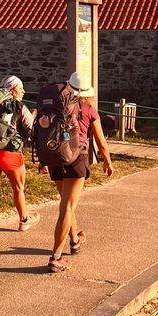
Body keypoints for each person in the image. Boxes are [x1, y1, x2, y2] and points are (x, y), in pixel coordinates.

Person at [47, 73, 113, 273]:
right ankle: (56, 257)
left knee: (67, 203)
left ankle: (74, 241)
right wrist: (107, 161)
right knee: (67, 207)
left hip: (56, 158)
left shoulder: (56, 105)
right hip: (76, 159)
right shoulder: (89, 109)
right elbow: (101, 142)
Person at [0, 75, 40, 240]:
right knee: (18, 188)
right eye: (20, 88)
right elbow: (31, 129)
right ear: (12, 89)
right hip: (10, 154)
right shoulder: (19, 106)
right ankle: (24, 220)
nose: (23, 91)